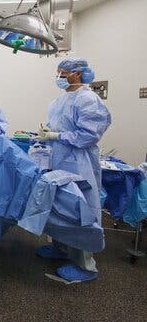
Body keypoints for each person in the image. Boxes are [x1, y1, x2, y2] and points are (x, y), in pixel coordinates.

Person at [35, 58, 111, 283]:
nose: (58, 76)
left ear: (77, 74)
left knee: (79, 210)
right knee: (60, 207)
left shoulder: (88, 99)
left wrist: (57, 136)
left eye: (63, 72)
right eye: (58, 72)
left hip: (79, 163)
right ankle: (61, 248)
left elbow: (88, 135)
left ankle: (86, 265)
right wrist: (49, 133)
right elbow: (60, 127)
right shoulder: (60, 100)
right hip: (59, 159)